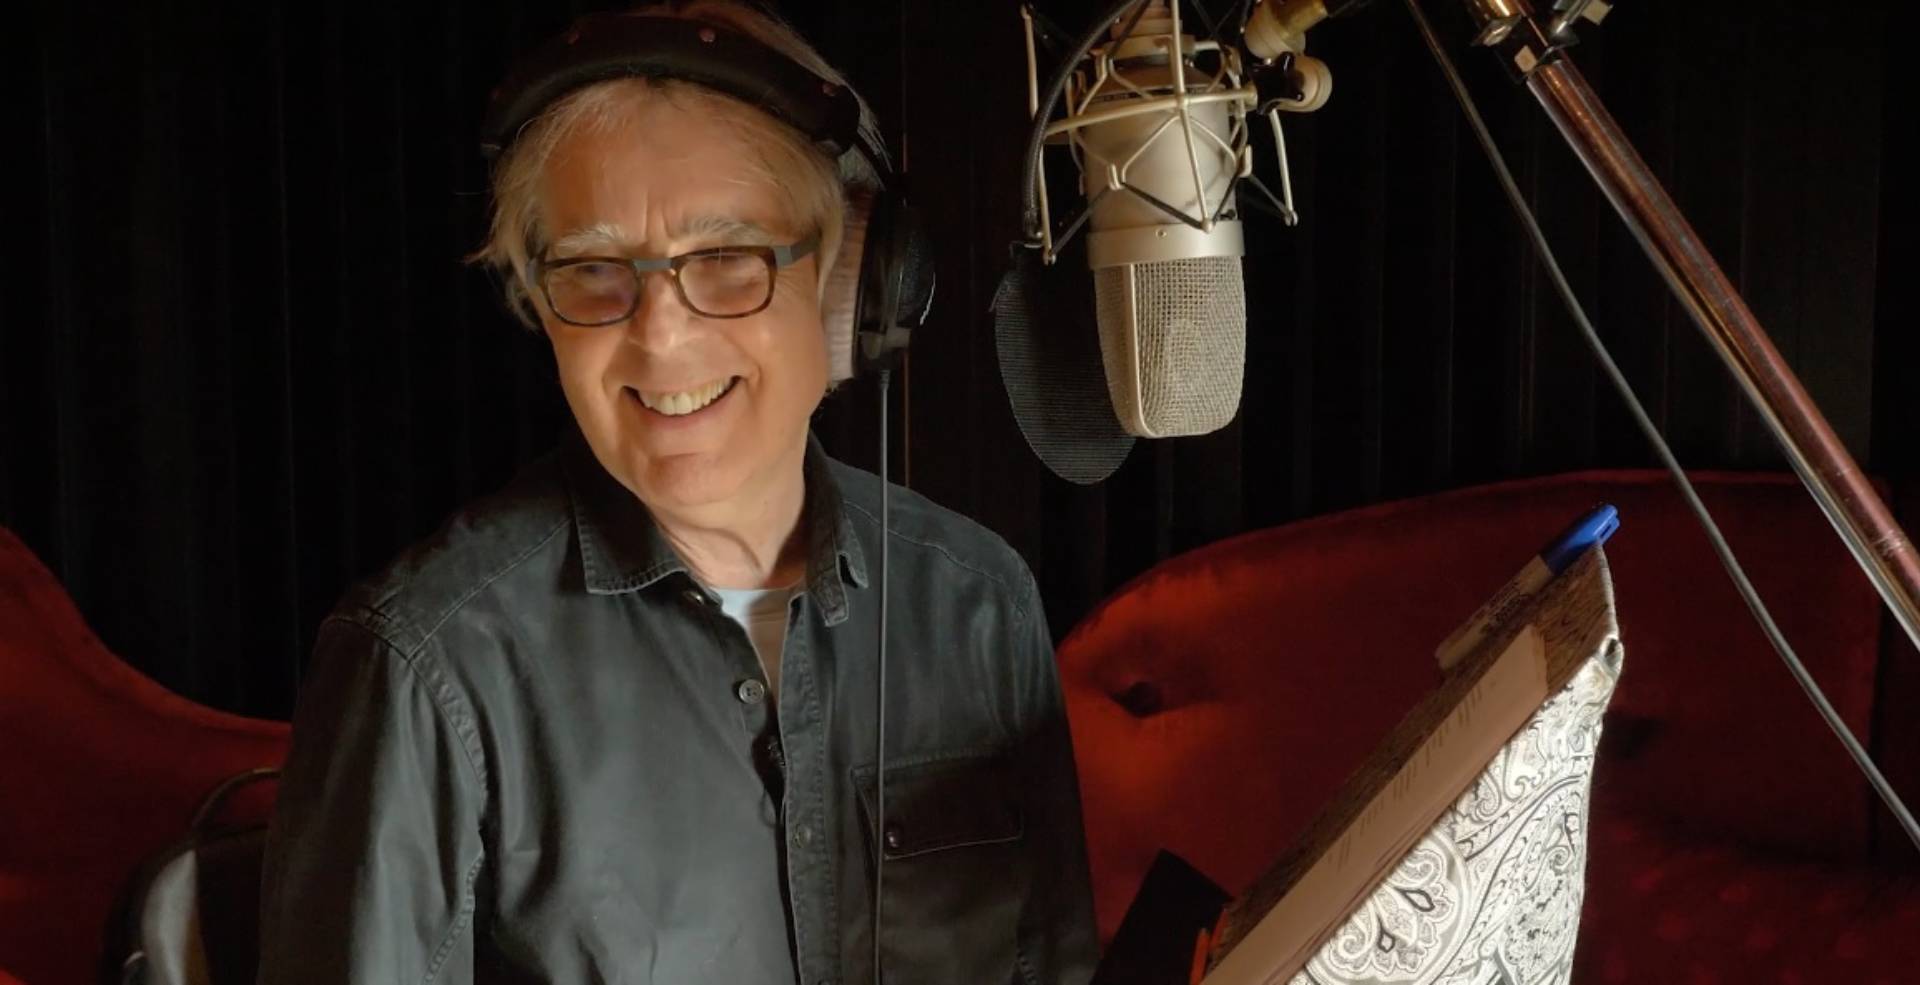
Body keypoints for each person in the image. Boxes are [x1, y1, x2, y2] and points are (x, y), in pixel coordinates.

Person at [255, 2, 1099, 983]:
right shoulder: (422, 664)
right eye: (593, 269)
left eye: (728, 259)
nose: (659, 335)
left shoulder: (980, 604)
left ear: (850, 283)